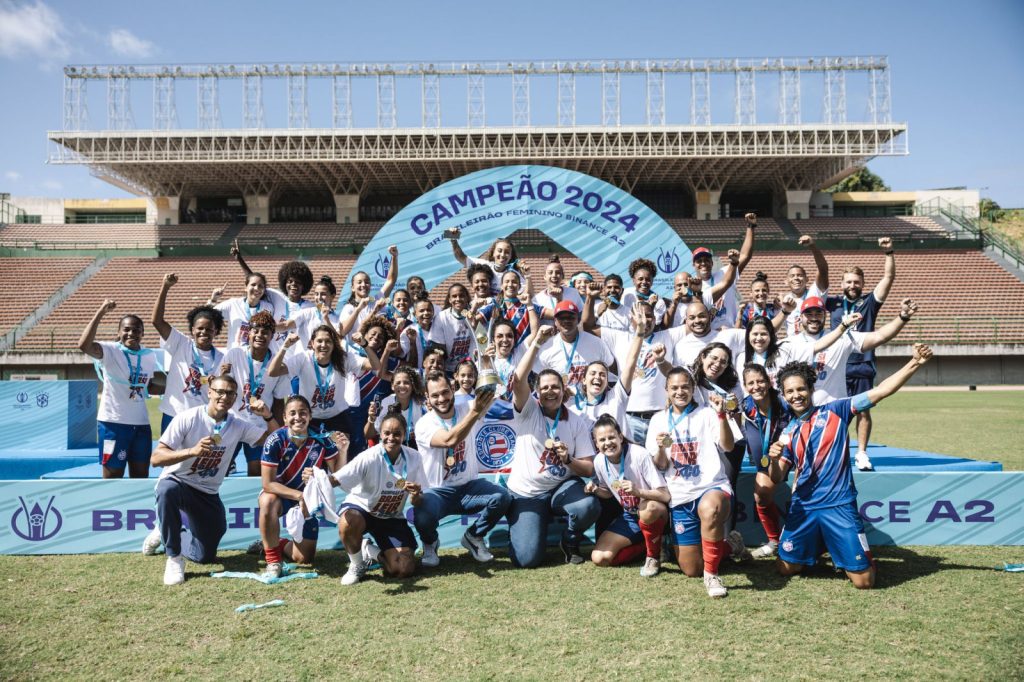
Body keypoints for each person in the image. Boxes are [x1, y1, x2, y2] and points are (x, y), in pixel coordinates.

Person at [766, 345, 934, 589]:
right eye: (789, 391)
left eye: (801, 388)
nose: (796, 395)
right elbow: (777, 476)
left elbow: (882, 391)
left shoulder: (837, 411)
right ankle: (824, 543)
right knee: (785, 569)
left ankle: (841, 547)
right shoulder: (788, 432)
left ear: (812, 389)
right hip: (804, 508)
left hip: (839, 506)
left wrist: (915, 362)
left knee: (864, 582)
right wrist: (773, 459)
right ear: (783, 395)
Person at [146, 374, 277, 585]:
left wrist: (268, 417)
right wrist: (192, 451)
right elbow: (156, 458)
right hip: (179, 482)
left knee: (205, 555)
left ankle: (168, 531)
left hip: (207, 492)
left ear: (235, 398)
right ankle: (174, 557)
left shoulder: (238, 425)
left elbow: (275, 441)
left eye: (230, 393)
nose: (224, 397)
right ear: (209, 392)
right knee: (166, 490)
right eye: (219, 391)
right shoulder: (187, 418)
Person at [506, 326, 600, 567]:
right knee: (526, 560)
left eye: (555, 387)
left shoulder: (575, 420)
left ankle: (569, 540)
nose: (550, 391)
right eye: (544, 387)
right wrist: (536, 343)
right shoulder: (528, 411)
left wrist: (569, 460)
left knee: (588, 505)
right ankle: (529, 523)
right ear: (536, 392)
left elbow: (588, 469)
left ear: (563, 391)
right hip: (528, 494)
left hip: (561, 488)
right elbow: (517, 380)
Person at [646, 367, 740, 598]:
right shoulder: (658, 420)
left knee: (710, 509)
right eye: (675, 388)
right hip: (680, 495)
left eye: (685, 387)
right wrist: (660, 448)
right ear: (666, 390)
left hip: (711, 487)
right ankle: (731, 545)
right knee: (691, 569)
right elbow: (660, 465)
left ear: (693, 389)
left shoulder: (708, 414)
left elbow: (728, 447)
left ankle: (713, 574)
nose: (680, 392)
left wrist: (722, 417)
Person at [787, 296, 919, 443]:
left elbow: (879, 336)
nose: (813, 318)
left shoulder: (842, 337)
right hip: (799, 412)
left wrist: (903, 317)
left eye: (818, 313)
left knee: (832, 458)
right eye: (809, 314)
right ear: (801, 317)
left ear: (825, 315)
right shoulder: (790, 344)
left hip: (834, 412)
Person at [413, 372, 510, 565]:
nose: (441, 399)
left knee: (502, 498)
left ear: (452, 389)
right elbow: (450, 440)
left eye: (445, 392)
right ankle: (430, 543)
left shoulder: (467, 406)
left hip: (469, 487)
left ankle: (474, 536)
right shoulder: (424, 423)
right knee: (422, 515)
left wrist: (485, 358)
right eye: (435, 395)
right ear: (427, 397)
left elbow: (498, 389)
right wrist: (475, 413)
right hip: (437, 491)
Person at [825, 237, 896, 471]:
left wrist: (888, 253)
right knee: (837, 413)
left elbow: (888, 279)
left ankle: (862, 453)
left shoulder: (869, 302)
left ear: (863, 282)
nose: (852, 285)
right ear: (842, 283)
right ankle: (836, 452)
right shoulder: (833, 302)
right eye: (848, 281)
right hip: (838, 366)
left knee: (863, 410)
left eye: (856, 281)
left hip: (863, 364)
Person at [331, 412, 427, 586]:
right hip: (363, 510)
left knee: (402, 569)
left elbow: (418, 502)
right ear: (380, 434)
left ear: (404, 435)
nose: (391, 438)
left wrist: (416, 495)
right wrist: (316, 479)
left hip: (391, 517)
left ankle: (369, 550)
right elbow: (337, 479)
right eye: (387, 433)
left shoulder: (414, 457)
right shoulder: (369, 456)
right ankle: (357, 564)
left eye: (397, 433)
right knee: (348, 521)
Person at [257, 395, 345, 578]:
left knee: (304, 558)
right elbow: (267, 484)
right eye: (293, 413)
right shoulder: (275, 440)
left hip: (308, 500)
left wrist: (342, 453)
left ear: (310, 416)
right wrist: (300, 496)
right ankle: (273, 560)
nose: (298, 417)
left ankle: (273, 543)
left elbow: (337, 478)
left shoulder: (322, 439)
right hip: (282, 496)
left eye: (303, 413)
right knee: (267, 501)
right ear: (284, 418)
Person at [78, 300, 161, 479]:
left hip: (141, 425)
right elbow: (84, 345)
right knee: (113, 475)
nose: (131, 333)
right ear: (119, 332)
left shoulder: (149, 356)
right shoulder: (110, 350)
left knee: (141, 475)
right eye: (127, 329)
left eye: (137, 330)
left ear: (143, 333)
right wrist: (101, 312)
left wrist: (175, 388)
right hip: (113, 424)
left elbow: (149, 386)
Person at [586, 415, 670, 577]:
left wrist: (639, 492)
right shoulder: (599, 461)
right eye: (602, 440)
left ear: (620, 437)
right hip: (630, 517)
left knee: (649, 508)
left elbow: (665, 495)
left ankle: (653, 557)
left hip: (655, 513)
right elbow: (607, 493)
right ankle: (651, 546)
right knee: (600, 558)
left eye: (611, 437)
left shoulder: (638, 454)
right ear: (596, 444)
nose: (608, 443)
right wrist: (595, 489)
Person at [267, 326, 377, 436]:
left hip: (337, 416)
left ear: (334, 344)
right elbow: (272, 371)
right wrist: (285, 347)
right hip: (310, 417)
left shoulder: (343, 358)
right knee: (311, 452)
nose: (323, 345)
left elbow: (376, 366)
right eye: (319, 341)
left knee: (341, 448)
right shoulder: (303, 358)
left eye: (328, 341)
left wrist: (364, 345)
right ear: (312, 343)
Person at [151, 273, 225, 432]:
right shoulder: (181, 343)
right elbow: (157, 321)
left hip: (203, 418)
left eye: (209, 329)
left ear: (216, 332)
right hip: (174, 415)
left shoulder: (221, 358)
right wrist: (165, 287)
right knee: (169, 456)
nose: (204, 332)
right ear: (192, 329)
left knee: (199, 457)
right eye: (200, 328)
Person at [220, 310, 288, 476]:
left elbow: (279, 401)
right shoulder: (234, 355)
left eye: (265, 332)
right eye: (255, 330)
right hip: (232, 421)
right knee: (220, 467)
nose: (259, 335)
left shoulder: (278, 364)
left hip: (259, 426)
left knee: (257, 471)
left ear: (272, 336)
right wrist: (222, 375)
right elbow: (219, 388)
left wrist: (278, 433)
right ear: (248, 333)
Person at [738, 363, 792, 558]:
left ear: (769, 382)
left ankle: (799, 539)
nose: (756, 386)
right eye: (750, 383)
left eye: (760, 381)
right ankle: (775, 541)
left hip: (790, 455)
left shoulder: (785, 403)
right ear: (745, 386)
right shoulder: (745, 405)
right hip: (764, 461)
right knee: (761, 494)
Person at [230, 241, 314, 343]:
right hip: (275, 355)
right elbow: (254, 281)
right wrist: (240, 260)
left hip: (298, 356)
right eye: (290, 281)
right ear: (284, 283)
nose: (293, 285)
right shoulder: (276, 296)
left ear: (304, 285)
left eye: (298, 282)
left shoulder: (310, 307)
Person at [345, 315, 402, 455]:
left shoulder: (388, 359)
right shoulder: (351, 353)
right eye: (373, 334)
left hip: (367, 410)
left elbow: (380, 372)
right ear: (365, 335)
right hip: (345, 408)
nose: (376, 337)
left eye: (381, 336)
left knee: (358, 448)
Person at [689, 212, 756, 328]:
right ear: (693, 265)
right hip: (708, 335)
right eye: (699, 261)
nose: (703, 263)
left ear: (712, 262)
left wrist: (750, 227)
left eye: (706, 260)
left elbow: (745, 256)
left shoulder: (725, 273)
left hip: (731, 331)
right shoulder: (693, 287)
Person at [532, 299, 614, 393]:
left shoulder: (596, 343)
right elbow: (539, 377)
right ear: (555, 321)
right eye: (561, 318)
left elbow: (610, 366)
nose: (566, 321)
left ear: (578, 319)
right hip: (562, 404)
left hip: (592, 403)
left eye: (571, 317)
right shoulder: (546, 348)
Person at [209, 271, 281, 350]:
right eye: (253, 285)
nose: (257, 288)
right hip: (235, 355)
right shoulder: (233, 304)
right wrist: (213, 300)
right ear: (246, 287)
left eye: (260, 286)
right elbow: (206, 314)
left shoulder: (268, 307)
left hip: (258, 356)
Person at [339, 245, 399, 338]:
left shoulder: (376, 300)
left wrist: (394, 257)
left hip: (376, 351)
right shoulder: (349, 308)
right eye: (359, 282)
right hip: (356, 352)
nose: (363, 285)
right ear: (352, 288)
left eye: (367, 282)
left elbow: (391, 280)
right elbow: (342, 332)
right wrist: (359, 309)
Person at [472, 269, 539, 350]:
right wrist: (484, 347)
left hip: (521, 353)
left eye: (514, 282)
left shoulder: (528, 305)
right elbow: (473, 323)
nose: (510, 284)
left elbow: (535, 332)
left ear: (519, 286)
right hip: (497, 356)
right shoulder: (493, 305)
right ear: (501, 285)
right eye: (507, 281)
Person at [450, 230, 528, 296]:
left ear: (511, 256)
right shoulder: (484, 266)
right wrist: (453, 240)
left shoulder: (514, 275)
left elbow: (525, 294)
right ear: (493, 252)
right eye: (499, 251)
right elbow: (461, 257)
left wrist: (527, 275)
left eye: (507, 252)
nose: (503, 255)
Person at [278, 275, 341, 356]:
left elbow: (339, 341)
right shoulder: (306, 312)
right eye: (316, 294)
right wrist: (268, 326)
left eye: (323, 294)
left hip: (326, 362)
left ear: (333, 296)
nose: (319, 298)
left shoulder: (338, 318)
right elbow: (285, 325)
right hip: (303, 362)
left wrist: (326, 319)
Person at [365, 366, 426, 450]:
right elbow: (369, 435)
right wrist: (371, 419)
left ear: (412, 386)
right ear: (392, 386)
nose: (402, 386)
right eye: (398, 383)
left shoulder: (420, 405)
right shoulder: (386, 402)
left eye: (406, 382)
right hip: (388, 447)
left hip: (410, 448)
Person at [783, 235, 830, 337]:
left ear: (807, 279)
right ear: (786, 281)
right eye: (792, 276)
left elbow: (823, 270)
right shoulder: (784, 300)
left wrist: (812, 246)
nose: (796, 278)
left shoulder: (814, 293)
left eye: (800, 275)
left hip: (814, 343)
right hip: (793, 347)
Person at [433, 283, 477, 373]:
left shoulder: (474, 314)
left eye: (461, 296)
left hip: (470, 368)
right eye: (454, 296)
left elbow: (481, 339)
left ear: (467, 298)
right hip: (449, 369)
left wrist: (473, 322)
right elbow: (439, 346)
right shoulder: (442, 317)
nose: (458, 299)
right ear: (449, 299)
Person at [533, 255, 584, 327]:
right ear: (544, 276)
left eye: (558, 273)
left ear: (563, 276)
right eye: (550, 273)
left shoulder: (573, 293)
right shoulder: (537, 298)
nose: (554, 275)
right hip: (549, 337)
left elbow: (581, 316)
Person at [620, 258, 666, 322]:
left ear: (652, 281)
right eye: (640, 279)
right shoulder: (625, 294)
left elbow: (653, 327)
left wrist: (651, 307)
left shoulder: (659, 302)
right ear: (634, 281)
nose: (644, 282)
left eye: (648, 279)